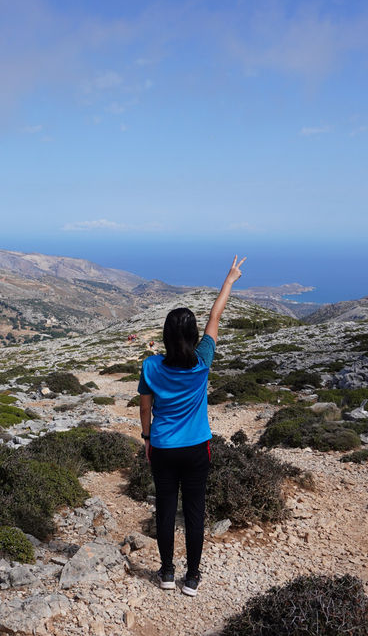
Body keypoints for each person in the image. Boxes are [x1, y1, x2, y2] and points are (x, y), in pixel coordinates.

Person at [137, 255, 246, 596]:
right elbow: (216, 316)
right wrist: (229, 280)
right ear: (193, 334)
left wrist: (146, 439)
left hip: (164, 448)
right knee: (195, 512)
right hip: (197, 447)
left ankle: (167, 572)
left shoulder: (151, 366)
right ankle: (193, 577)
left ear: (166, 336)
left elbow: (145, 408)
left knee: (166, 510)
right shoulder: (202, 361)